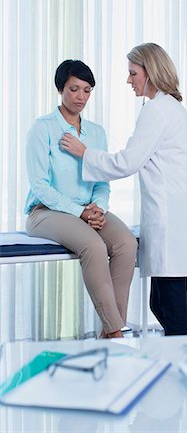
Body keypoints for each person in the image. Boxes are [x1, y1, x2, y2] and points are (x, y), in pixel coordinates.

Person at [61, 43, 187, 336]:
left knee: (172, 312)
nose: (129, 80)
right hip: (176, 216)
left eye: (133, 73)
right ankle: (177, 362)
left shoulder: (157, 111)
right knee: (161, 305)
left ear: (150, 72)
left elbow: (127, 162)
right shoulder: (171, 108)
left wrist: (84, 152)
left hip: (171, 220)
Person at [24, 59, 137, 339]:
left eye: (87, 90)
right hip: (46, 212)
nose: (81, 97)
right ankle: (115, 331)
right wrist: (80, 212)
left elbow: (102, 179)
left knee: (126, 243)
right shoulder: (42, 128)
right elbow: (40, 186)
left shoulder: (96, 132)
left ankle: (110, 329)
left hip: (88, 210)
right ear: (61, 88)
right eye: (74, 89)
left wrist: (99, 207)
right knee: (94, 246)